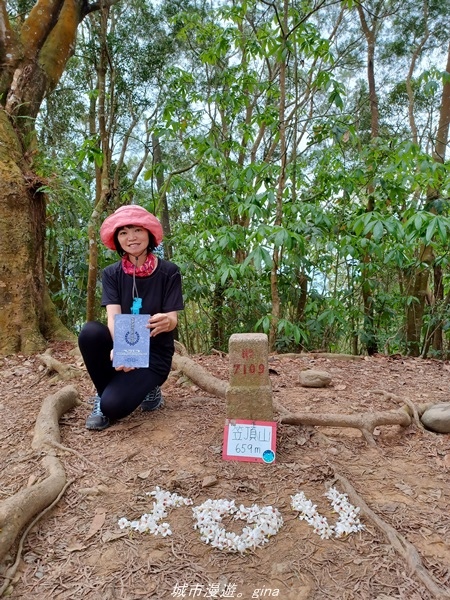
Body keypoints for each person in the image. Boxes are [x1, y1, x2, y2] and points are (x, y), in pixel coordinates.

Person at [78, 205, 184, 431]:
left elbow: (173, 318)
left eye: (137, 230)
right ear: (117, 239)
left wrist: (168, 321)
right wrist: (122, 349)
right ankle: (101, 396)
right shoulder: (111, 274)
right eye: (124, 232)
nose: (131, 238)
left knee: (114, 406)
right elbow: (113, 317)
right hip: (124, 346)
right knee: (90, 333)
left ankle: (150, 389)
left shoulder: (169, 272)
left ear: (149, 234)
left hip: (154, 354)